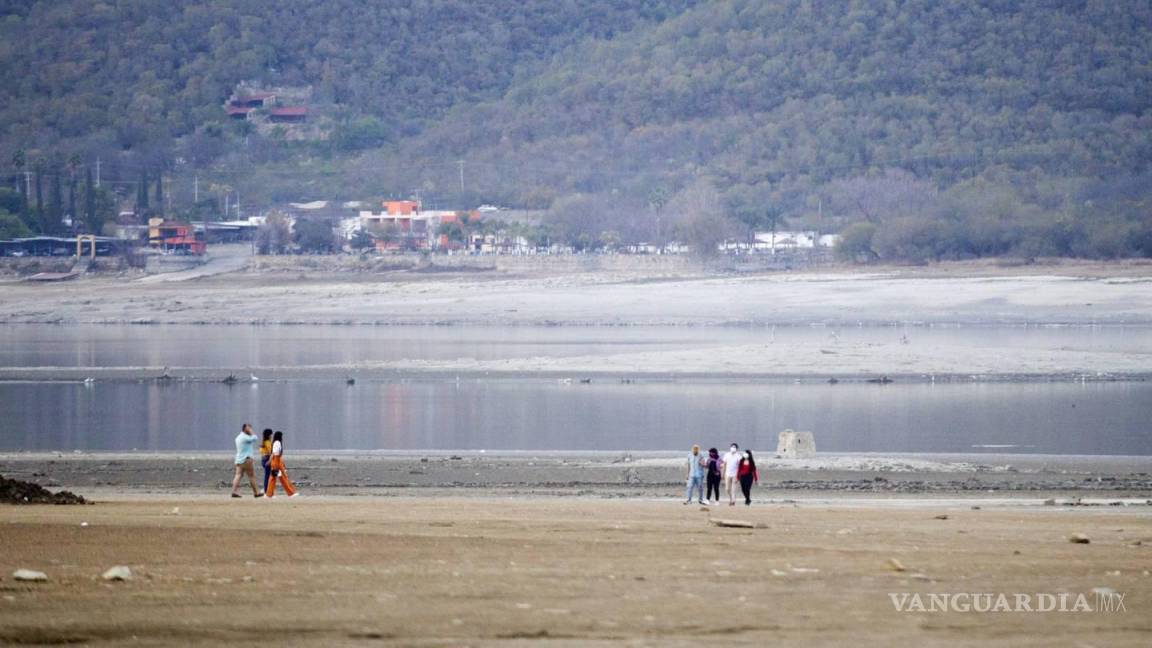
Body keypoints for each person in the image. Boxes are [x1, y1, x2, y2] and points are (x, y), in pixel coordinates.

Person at [264, 430, 298, 498]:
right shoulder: (277, 443)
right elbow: (276, 454)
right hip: (277, 462)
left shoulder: (275, 443)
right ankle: (291, 493)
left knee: (273, 478)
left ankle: (269, 494)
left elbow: (273, 454)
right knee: (283, 478)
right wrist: (277, 466)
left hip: (277, 462)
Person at [230, 423, 260, 498]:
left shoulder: (238, 437)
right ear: (245, 429)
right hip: (246, 458)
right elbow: (255, 438)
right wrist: (251, 432)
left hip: (239, 458)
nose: (250, 429)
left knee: (238, 475)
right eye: (249, 428)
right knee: (251, 476)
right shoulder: (245, 437)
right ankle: (256, 492)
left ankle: (234, 491)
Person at [259, 428, 274, 496]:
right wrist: (270, 460)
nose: (272, 435)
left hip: (263, 459)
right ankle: (266, 491)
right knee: (267, 477)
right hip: (267, 459)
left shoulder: (263, 442)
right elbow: (271, 452)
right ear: (269, 435)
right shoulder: (268, 442)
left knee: (267, 476)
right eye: (271, 434)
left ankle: (266, 490)